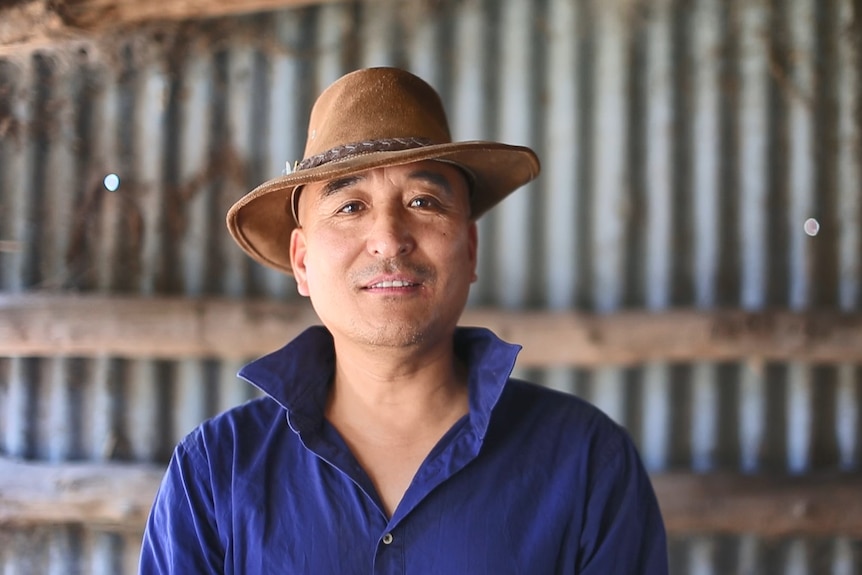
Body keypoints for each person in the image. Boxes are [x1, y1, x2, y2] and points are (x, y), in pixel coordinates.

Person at [140, 67, 668, 574]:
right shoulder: (215, 471)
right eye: (349, 207)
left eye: (423, 200)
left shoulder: (586, 461)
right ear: (302, 261)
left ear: (469, 247)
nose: (390, 238)